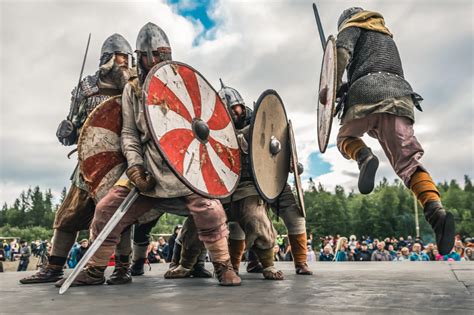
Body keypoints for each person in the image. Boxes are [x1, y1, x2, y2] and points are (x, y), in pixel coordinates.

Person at [55, 22, 240, 288]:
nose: (155, 60)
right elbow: (129, 134)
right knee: (106, 210)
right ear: (140, 57)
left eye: (162, 54)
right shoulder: (133, 89)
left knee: (210, 210)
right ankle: (95, 270)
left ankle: (224, 267)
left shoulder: (182, 82)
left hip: (183, 168)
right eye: (150, 55)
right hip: (146, 170)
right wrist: (134, 166)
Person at [332, 7, 455, 255]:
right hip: (399, 97)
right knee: (409, 163)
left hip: (365, 95)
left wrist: (332, 86)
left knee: (345, 138)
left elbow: (341, 54)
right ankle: (435, 211)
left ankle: (363, 156)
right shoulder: (385, 35)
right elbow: (373, 64)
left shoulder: (352, 26)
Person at [20, 33, 134, 285]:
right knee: (68, 215)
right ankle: (53, 267)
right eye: (120, 57)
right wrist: (68, 131)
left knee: (122, 217)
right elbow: (77, 131)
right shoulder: (87, 88)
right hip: (90, 165)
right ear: (107, 59)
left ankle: (122, 268)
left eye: (128, 58)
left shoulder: (135, 89)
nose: (124, 63)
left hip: (124, 164)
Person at [218, 83, 312, 276]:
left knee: (294, 215)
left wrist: (291, 162)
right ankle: (235, 265)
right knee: (242, 220)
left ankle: (301, 262)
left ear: (242, 106)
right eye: (230, 111)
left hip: (272, 177)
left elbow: (280, 145)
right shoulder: (219, 132)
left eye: (237, 108)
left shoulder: (263, 122)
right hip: (243, 185)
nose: (236, 114)